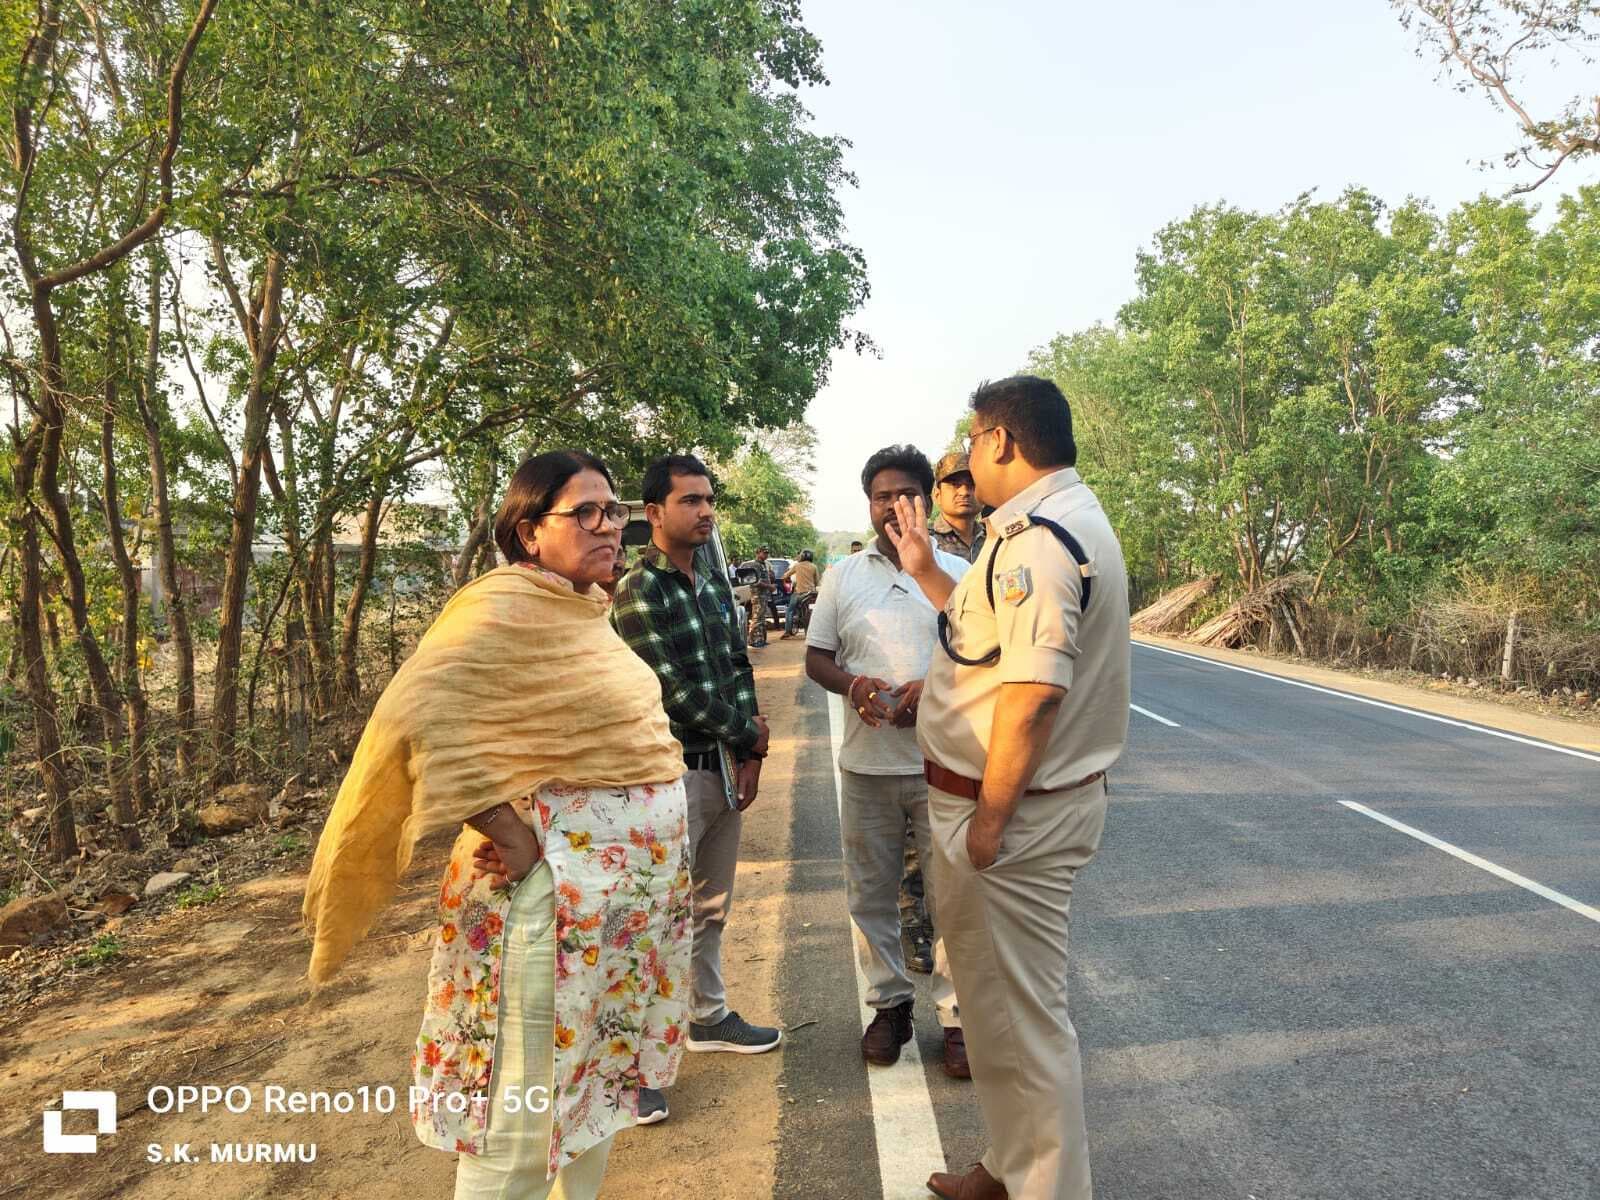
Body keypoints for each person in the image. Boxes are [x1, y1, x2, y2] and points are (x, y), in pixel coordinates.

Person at [302, 450, 691, 1200]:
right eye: (584, 512)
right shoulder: (502, 607)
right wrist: (511, 835)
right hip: (552, 910)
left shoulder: (582, 609)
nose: (608, 525)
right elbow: (421, 710)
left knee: (592, 1096)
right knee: (519, 1121)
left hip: (612, 917)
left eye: (612, 510)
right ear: (526, 531)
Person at [883, 376, 1130, 1200]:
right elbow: (989, 639)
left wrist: (988, 824)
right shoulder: (1038, 528)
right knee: (992, 1013)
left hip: (1011, 821)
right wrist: (924, 572)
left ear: (1001, 442)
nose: (964, 457)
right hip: (998, 810)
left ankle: (1047, 1189)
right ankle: (1007, 1166)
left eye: (971, 438)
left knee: (1024, 1023)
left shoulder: (1041, 540)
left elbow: (1031, 694)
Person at [609, 454, 783, 1128]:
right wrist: (749, 730)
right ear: (654, 514)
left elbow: (738, 664)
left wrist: (747, 748)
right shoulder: (636, 591)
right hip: (665, 772)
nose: (705, 511)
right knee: (652, 919)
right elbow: (671, 692)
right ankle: (629, 1071)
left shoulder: (711, 586)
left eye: (709, 500)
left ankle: (707, 1016)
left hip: (719, 765)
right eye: (690, 501)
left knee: (709, 907)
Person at [804, 445, 973, 1078]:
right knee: (869, 894)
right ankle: (889, 1006)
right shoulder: (843, 577)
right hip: (867, 767)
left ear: (925, 500)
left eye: (906, 495)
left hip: (943, 763)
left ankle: (957, 1019)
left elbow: (983, 659)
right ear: (869, 505)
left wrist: (930, 691)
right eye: (882, 497)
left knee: (951, 897)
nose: (894, 507)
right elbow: (817, 657)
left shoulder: (955, 571)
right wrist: (855, 687)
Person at [930, 451, 987, 563]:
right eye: (955, 485)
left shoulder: (994, 538)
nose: (964, 492)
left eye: (972, 484)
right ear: (937, 495)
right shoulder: (927, 542)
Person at [780, 549, 820, 638]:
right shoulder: (814, 566)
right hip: (811, 594)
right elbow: (817, 582)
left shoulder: (797, 566)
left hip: (798, 594)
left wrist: (785, 578)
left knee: (789, 610)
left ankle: (787, 631)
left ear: (802, 556)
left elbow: (785, 575)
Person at [745, 546, 776, 646]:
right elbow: (754, 582)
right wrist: (769, 586)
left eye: (767, 553)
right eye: (764, 553)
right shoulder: (755, 565)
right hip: (758, 595)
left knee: (762, 618)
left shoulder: (763, 565)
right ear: (758, 553)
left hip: (764, 595)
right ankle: (753, 640)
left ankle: (761, 639)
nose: (766, 555)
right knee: (757, 618)